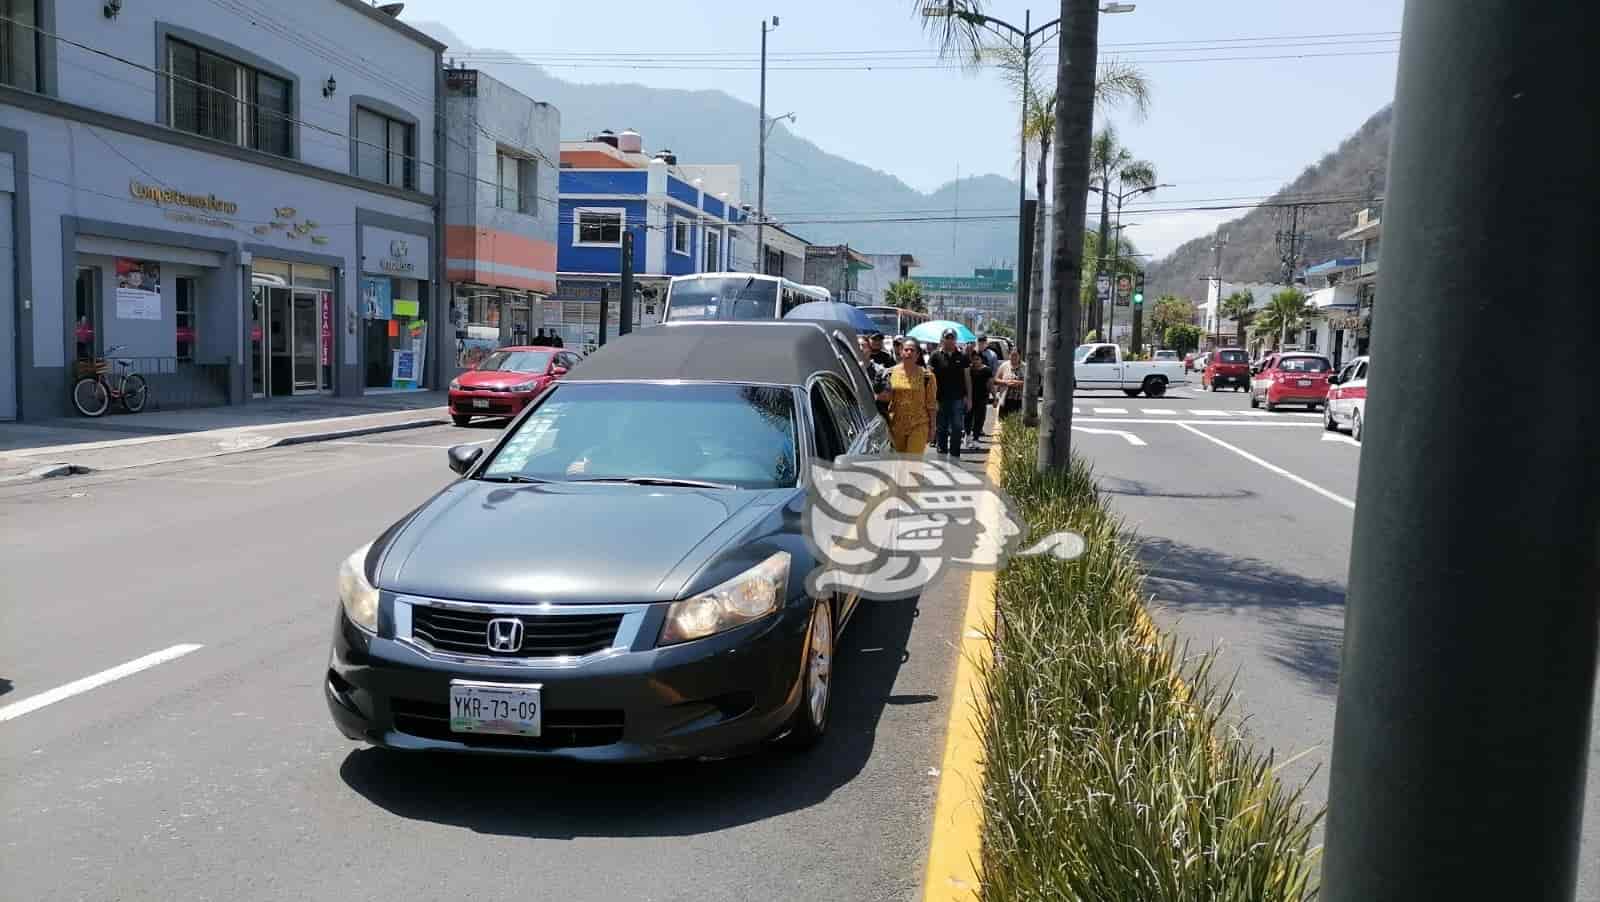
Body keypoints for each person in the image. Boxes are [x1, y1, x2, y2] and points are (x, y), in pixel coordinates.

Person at [876, 340, 937, 455]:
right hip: (896, 426)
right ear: (900, 352)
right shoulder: (889, 373)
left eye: (912, 350)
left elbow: (931, 404)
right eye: (906, 350)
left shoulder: (927, 376)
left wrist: (933, 428)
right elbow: (882, 398)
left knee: (913, 463)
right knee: (900, 463)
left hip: (919, 424)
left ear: (918, 354)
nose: (909, 352)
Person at [927, 328, 971, 459]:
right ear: (943, 339)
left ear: (955, 340)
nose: (950, 340)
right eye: (947, 338)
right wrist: (930, 398)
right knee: (942, 427)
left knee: (957, 427)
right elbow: (929, 377)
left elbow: (967, 379)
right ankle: (941, 452)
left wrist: (969, 398)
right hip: (939, 398)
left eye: (952, 338)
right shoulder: (935, 355)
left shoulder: (962, 356)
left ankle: (954, 454)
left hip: (958, 398)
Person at [965, 346, 993, 449]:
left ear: (981, 359)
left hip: (982, 398)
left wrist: (995, 397)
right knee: (968, 418)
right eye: (974, 359)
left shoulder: (987, 370)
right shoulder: (968, 370)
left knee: (980, 419)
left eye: (978, 359)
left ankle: (976, 439)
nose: (975, 361)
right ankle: (967, 436)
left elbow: (990, 384)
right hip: (970, 398)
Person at [994, 349, 1025, 419]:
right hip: (1005, 399)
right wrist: (1006, 382)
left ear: (1020, 356)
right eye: (1012, 355)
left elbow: (1030, 383)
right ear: (1009, 355)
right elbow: (996, 380)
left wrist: (1018, 383)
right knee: (1003, 421)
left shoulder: (1025, 367)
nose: (1013, 357)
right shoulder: (1004, 365)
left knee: (1017, 422)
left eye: (1016, 355)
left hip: (1019, 400)